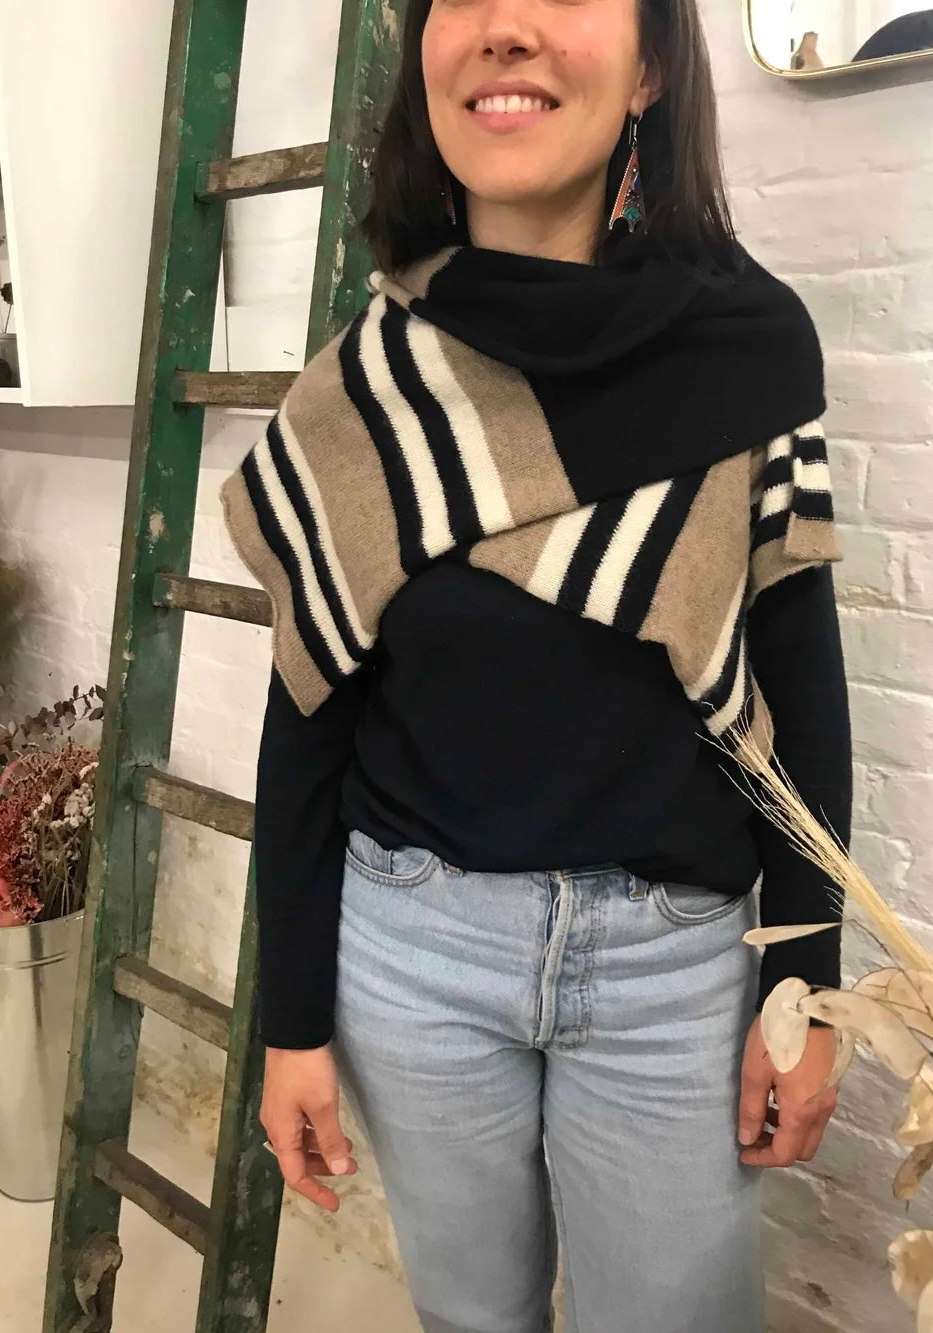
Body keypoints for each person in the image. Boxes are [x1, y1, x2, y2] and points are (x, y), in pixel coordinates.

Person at [220, 2, 852, 1330]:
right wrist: (292, 1021)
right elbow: (306, 718)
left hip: (675, 975)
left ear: (654, 67)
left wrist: (807, 976)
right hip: (411, 956)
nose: (505, 27)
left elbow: (802, 695)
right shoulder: (365, 393)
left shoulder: (751, 353)